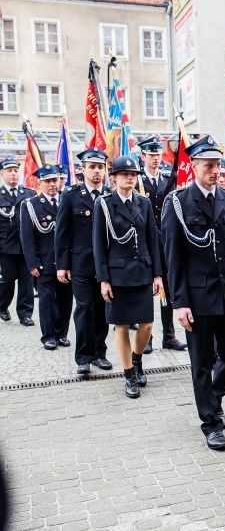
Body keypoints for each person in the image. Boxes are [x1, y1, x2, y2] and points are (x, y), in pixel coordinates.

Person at [162, 135, 225, 451]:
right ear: (193, 166)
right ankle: (210, 423)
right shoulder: (178, 203)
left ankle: (215, 395)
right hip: (196, 297)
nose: (215, 170)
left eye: (217, 164)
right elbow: (173, 257)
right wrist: (178, 302)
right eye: (208, 165)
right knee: (202, 362)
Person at [93, 156, 163, 399]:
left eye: (133, 174)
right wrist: (103, 279)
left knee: (147, 324)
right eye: (124, 174)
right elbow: (99, 244)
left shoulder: (143, 203)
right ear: (114, 178)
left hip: (142, 271)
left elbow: (152, 240)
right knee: (121, 325)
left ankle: (137, 360)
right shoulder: (103, 204)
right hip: (117, 275)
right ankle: (128, 374)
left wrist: (157, 274)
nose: (130, 178)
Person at [56, 147, 113, 374]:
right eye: (92, 167)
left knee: (103, 309)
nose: (97, 172)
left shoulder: (110, 195)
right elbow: (61, 233)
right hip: (81, 263)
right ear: (83, 170)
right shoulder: (71, 196)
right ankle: (83, 357)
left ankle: (100, 352)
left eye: (100, 167)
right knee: (84, 308)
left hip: (107, 265)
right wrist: (62, 265)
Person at [136, 136, 187, 354]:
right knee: (147, 293)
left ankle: (169, 335)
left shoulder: (168, 180)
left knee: (167, 290)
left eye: (158, 154)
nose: (156, 159)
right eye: (151, 155)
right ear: (143, 156)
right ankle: (146, 337)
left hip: (165, 242)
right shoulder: (138, 182)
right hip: (146, 243)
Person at [20, 164, 73, 350]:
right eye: (48, 181)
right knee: (47, 300)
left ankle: (62, 333)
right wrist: (32, 262)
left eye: (55, 180)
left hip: (66, 262)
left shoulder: (67, 201)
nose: (52, 184)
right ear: (40, 183)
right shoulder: (31, 205)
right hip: (45, 262)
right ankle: (49, 336)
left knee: (66, 300)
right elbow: (27, 237)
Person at [0, 157, 35, 326]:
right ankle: (2, 305)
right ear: (2, 174)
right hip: (5, 245)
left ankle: (25, 313)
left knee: (26, 281)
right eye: (9, 171)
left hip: (26, 246)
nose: (13, 174)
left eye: (15, 171)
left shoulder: (29, 194)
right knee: (7, 278)